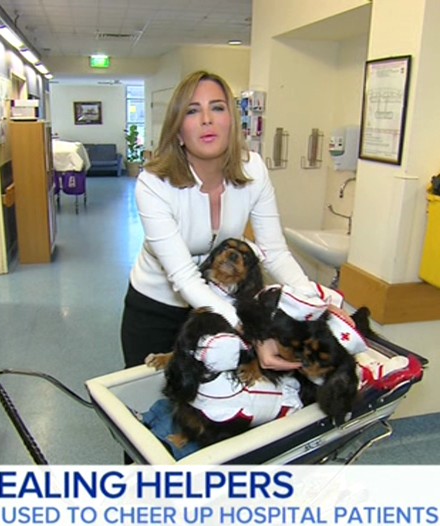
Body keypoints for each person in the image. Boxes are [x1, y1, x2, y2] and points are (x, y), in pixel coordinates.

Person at [119, 70, 343, 369]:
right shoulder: (154, 183)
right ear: (178, 131)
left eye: (217, 107)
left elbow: (274, 253)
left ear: (232, 121)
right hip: (158, 308)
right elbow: (184, 276)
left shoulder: (254, 170)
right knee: (147, 392)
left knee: (216, 393)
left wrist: (316, 304)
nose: (206, 119)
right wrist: (255, 335)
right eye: (192, 111)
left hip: (223, 304)